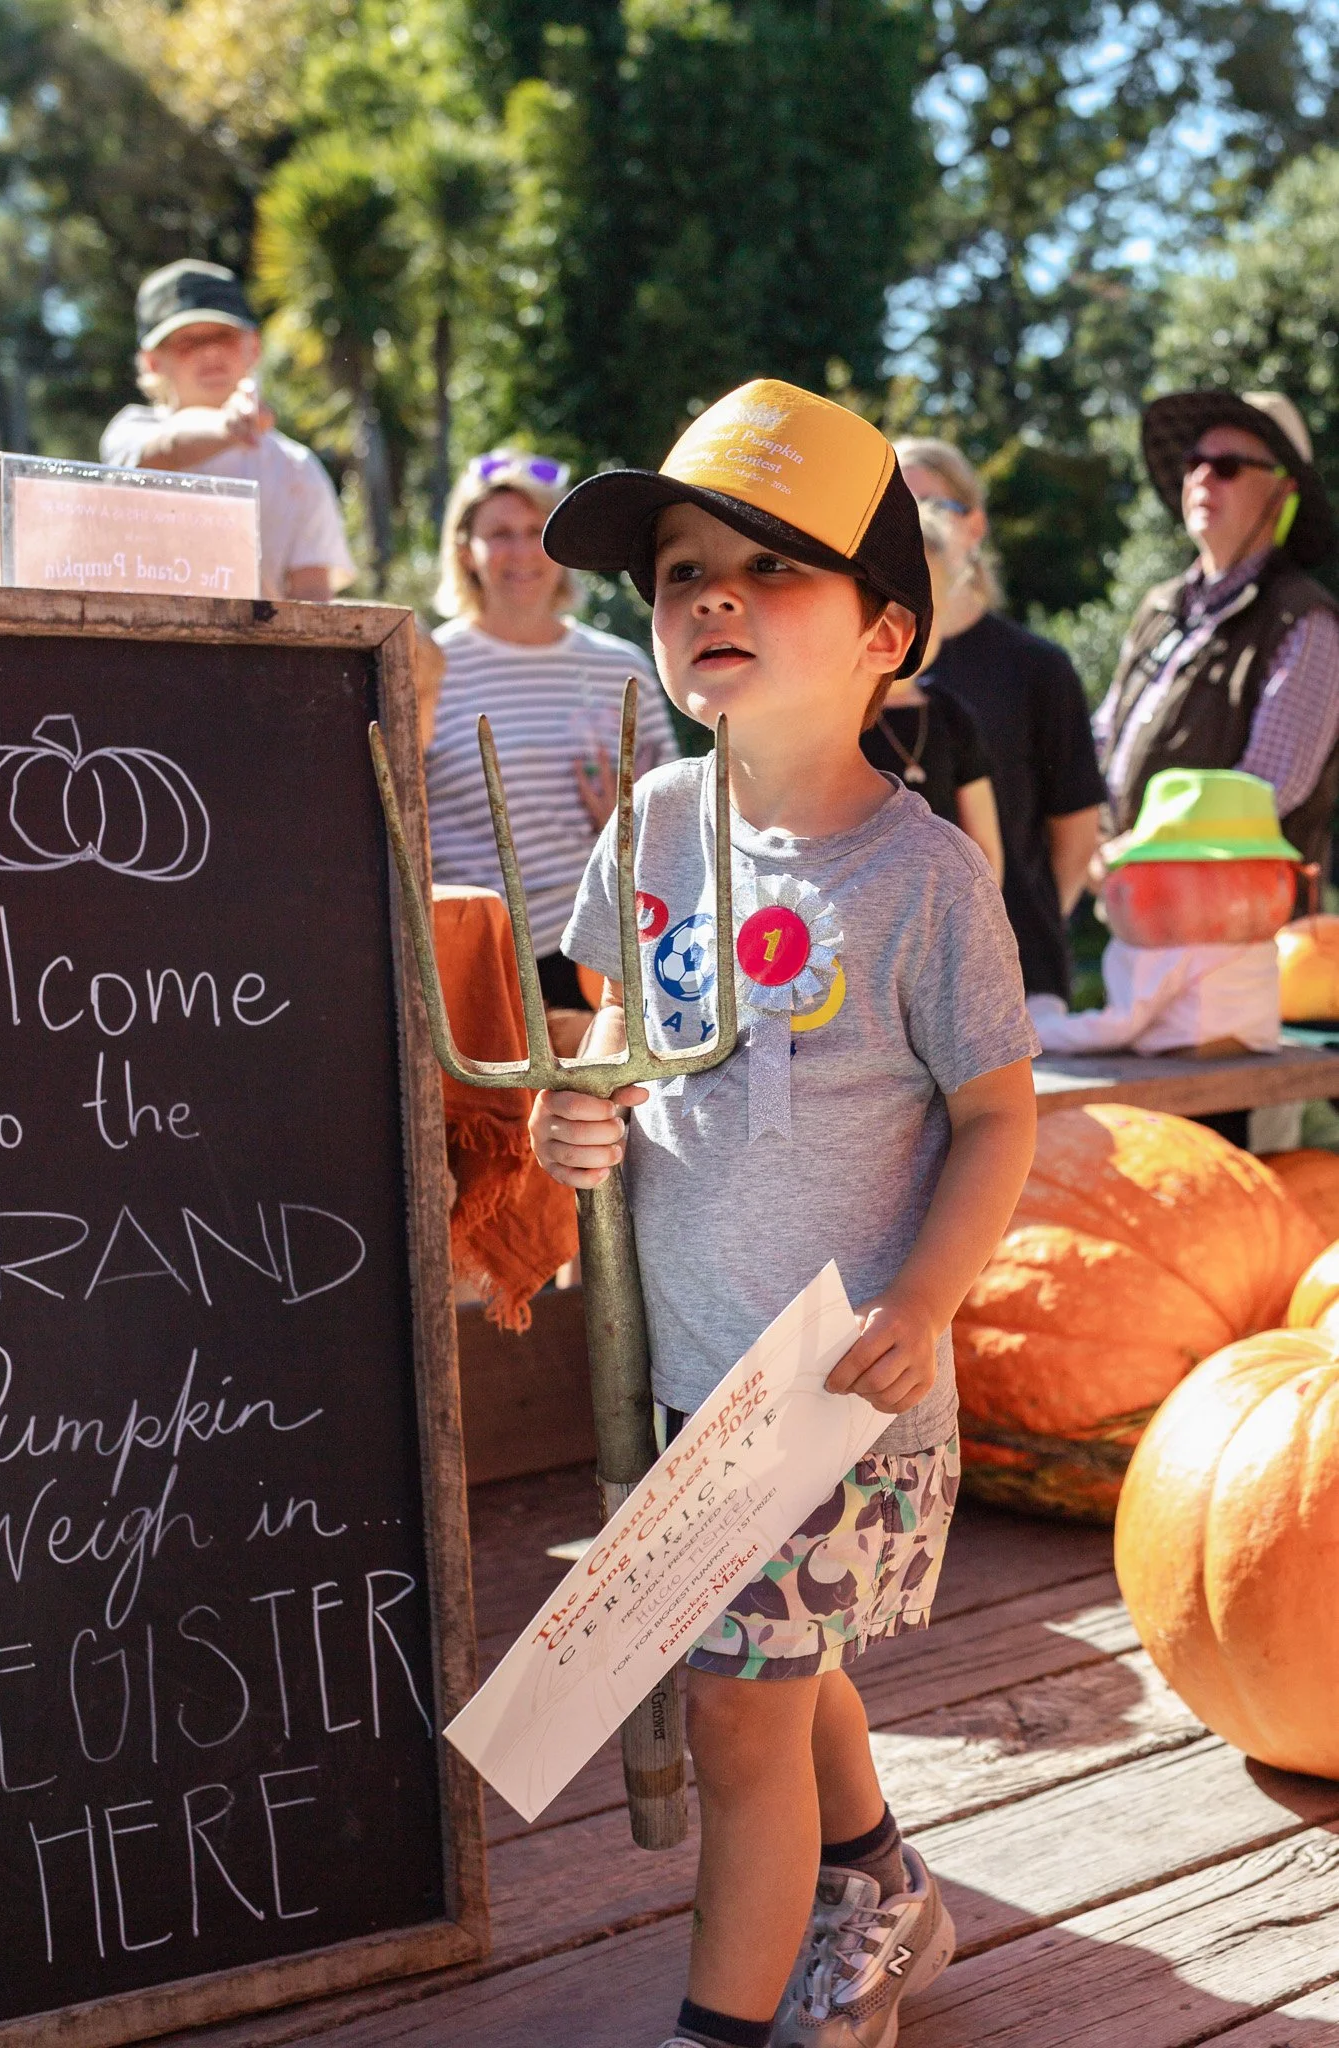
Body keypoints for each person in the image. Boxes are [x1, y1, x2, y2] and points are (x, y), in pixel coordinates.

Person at [529, 380, 1038, 2048]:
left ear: (889, 630)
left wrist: (930, 1301)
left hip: (844, 1384)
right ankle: (886, 1891)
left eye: (771, 567)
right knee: (784, 1659)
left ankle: (722, 2027)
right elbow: (617, 1027)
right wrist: (579, 1104)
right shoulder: (659, 824)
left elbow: (997, 1114)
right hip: (696, 1369)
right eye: (681, 569)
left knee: (740, 1724)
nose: (713, 596)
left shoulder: (923, 884)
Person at [425, 449, 677, 1020]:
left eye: (537, 531)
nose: (521, 551)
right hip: (475, 962)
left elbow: (675, 823)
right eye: (501, 533)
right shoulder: (429, 667)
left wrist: (628, 817)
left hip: (607, 956)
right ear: (465, 550)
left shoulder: (622, 667)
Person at [895, 437, 1105, 1000]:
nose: (912, 522)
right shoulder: (857, 666)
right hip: (898, 973)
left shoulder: (1038, 667)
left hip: (1019, 970)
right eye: (894, 505)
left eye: (935, 504)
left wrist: (1022, 929)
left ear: (975, 527)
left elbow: (1076, 829)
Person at [1095, 389, 1339, 871]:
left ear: (1282, 491)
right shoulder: (1159, 606)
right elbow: (1103, 736)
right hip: (1135, 914)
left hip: (1244, 931)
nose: (1203, 475)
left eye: (1227, 466)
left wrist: (1134, 847)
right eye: (1194, 462)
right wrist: (1093, 834)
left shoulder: (1307, 620)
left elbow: (1266, 788)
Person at [100, 260, 356, 602]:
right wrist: (226, 427)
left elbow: (313, 597)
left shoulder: (297, 468)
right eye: (186, 341)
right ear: (152, 361)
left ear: (254, 347)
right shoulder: (129, 433)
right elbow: (162, 451)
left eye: (224, 335)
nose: (210, 351)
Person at [861, 502, 1003, 880]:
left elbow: (985, 851)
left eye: (927, 608)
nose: (905, 627)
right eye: (888, 607)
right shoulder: (833, 717)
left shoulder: (952, 717)